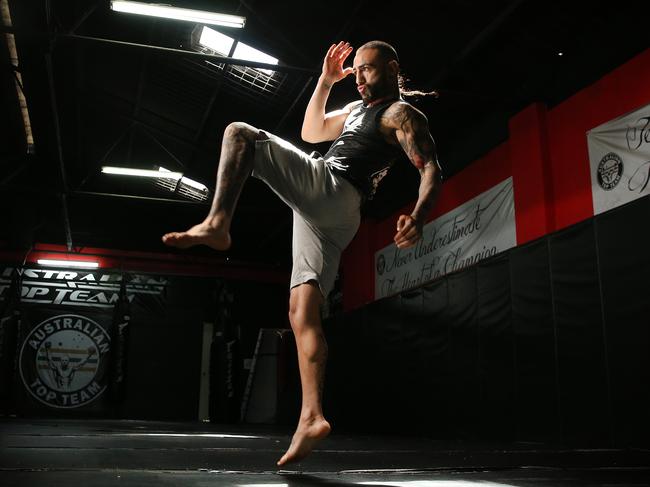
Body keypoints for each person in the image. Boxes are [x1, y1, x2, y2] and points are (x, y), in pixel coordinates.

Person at [162, 40, 442, 466]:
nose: (361, 79)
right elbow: (311, 133)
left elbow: (429, 169)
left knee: (240, 134)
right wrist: (327, 82)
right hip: (332, 218)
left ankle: (217, 225)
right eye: (357, 72)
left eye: (368, 70)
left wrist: (418, 217)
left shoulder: (400, 114)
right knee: (301, 311)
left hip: (333, 189)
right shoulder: (355, 111)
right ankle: (312, 416)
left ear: (391, 68)